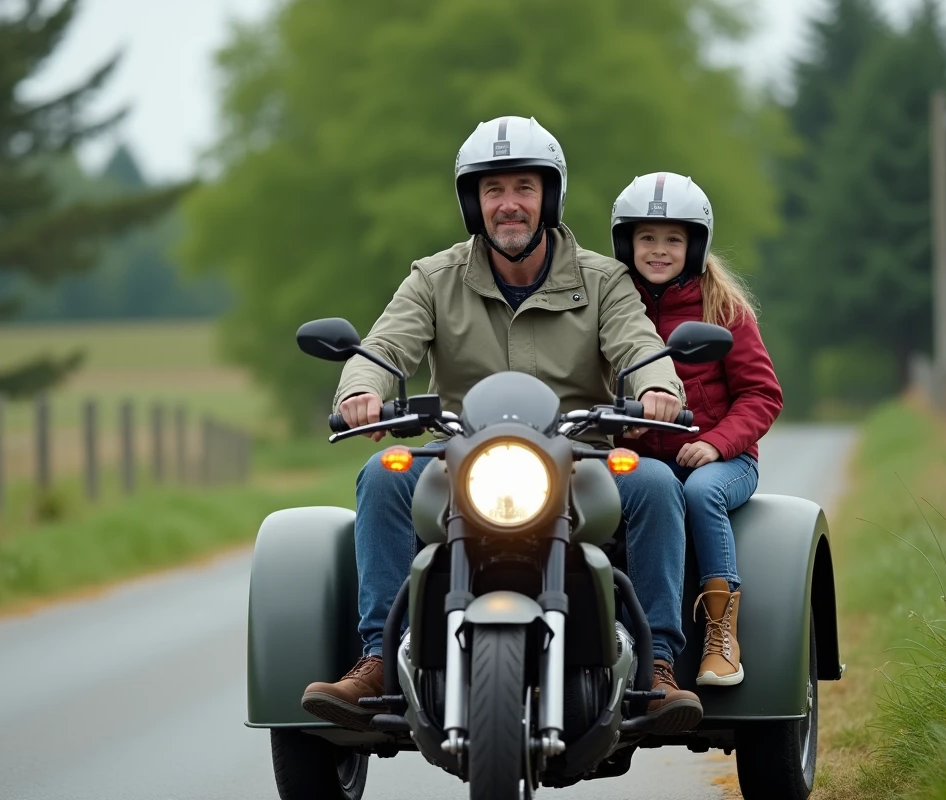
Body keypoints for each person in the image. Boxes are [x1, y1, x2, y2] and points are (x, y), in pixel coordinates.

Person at [300, 117, 703, 735]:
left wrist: (657, 387)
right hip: (461, 458)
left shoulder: (603, 280)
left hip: (579, 461)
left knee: (653, 484)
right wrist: (361, 389)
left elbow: (640, 344)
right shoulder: (434, 278)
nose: (509, 204)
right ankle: (382, 656)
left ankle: (660, 667)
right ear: (473, 201)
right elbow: (384, 347)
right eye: (493, 190)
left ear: (549, 196)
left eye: (523, 187)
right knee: (382, 476)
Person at [608, 172, 783, 687]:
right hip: (640, 460)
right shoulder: (611, 307)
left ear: (695, 244)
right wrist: (624, 426)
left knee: (702, 493)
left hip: (723, 460)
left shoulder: (724, 309)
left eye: (673, 240)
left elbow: (762, 395)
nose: (659, 251)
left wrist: (715, 442)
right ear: (626, 243)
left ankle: (720, 633)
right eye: (647, 238)